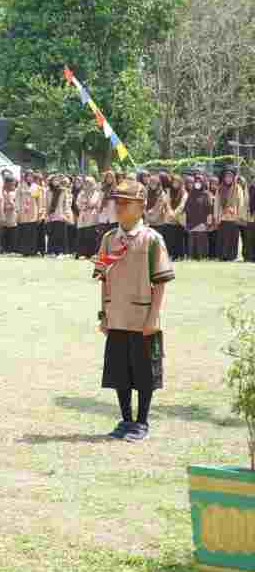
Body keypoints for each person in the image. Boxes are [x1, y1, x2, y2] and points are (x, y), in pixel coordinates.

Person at [94, 178, 174, 442]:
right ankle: (125, 419)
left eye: (126, 203)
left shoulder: (152, 240)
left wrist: (153, 317)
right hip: (117, 316)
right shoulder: (108, 239)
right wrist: (103, 314)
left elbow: (160, 282)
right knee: (120, 372)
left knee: (144, 374)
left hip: (142, 319)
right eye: (117, 202)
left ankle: (142, 422)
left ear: (141, 207)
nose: (119, 207)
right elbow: (103, 279)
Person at [216, 167, 246, 261]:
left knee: (233, 239)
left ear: (233, 178)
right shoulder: (220, 188)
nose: (228, 179)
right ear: (224, 178)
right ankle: (223, 256)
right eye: (226, 177)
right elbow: (216, 204)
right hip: (223, 218)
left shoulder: (238, 188)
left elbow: (241, 203)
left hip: (234, 218)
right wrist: (216, 216)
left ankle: (232, 256)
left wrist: (238, 215)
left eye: (230, 177)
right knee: (223, 238)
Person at [75, 176, 100, 259]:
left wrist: (88, 203)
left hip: (92, 216)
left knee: (91, 235)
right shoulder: (81, 193)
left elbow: (94, 203)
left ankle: (91, 253)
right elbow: (78, 203)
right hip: (83, 215)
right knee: (82, 235)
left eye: (89, 183)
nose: (88, 185)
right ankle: (82, 253)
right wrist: (83, 206)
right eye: (86, 183)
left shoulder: (96, 193)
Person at [1, 172, 18, 254]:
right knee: (5, 232)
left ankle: (12, 249)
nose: (12, 185)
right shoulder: (2, 192)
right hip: (4, 215)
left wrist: (11, 204)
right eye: (11, 183)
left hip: (13, 215)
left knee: (12, 232)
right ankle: (5, 248)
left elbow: (15, 205)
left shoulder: (15, 192)